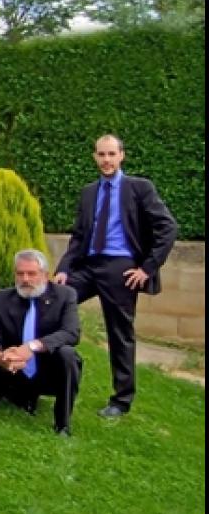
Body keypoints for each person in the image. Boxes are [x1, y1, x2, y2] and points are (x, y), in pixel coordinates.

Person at [53, 134, 177, 418]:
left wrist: (147, 268)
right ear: (94, 157)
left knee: (120, 334)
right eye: (101, 154)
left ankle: (121, 400)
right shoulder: (88, 192)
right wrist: (63, 269)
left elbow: (168, 227)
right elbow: (79, 236)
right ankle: (40, 373)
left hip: (121, 268)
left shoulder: (139, 188)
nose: (106, 160)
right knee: (53, 300)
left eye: (111, 154)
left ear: (122, 155)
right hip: (88, 266)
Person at [0, 250, 82, 435]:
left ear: (45, 275)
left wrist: (32, 347)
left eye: (31, 273)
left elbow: (71, 333)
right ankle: (10, 394)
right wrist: (0, 357)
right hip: (13, 368)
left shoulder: (65, 296)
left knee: (68, 354)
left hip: (48, 369)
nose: (25, 279)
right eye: (20, 273)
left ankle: (63, 424)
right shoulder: (1, 299)